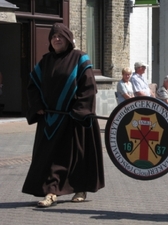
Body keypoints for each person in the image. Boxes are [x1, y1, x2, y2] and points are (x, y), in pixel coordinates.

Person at [22, 23, 105, 207]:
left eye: (60, 36)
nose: (57, 39)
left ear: (68, 38)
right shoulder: (45, 61)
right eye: (53, 37)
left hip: (74, 119)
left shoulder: (79, 58)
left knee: (77, 156)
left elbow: (89, 86)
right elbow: (32, 86)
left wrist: (80, 111)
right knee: (50, 157)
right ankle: (51, 192)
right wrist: (37, 106)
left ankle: (80, 189)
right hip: (51, 119)